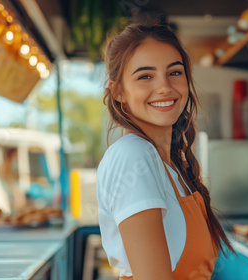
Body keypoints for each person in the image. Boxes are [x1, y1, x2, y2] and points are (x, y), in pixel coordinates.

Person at [96, 23, 235, 280]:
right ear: (118, 92)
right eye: (145, 76)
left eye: (174, 72)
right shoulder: (133, 157)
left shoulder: (168, 163)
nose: (164, 87)